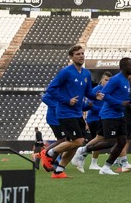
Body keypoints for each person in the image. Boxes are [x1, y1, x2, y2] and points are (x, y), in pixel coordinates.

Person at [38, 45, 91, 178]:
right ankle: (49, 153)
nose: (81, 56)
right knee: (78, 141)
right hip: (65, 113)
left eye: (82, 53)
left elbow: (88, 92)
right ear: (72, 57)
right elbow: (51, 89)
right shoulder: (66, 72)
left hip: (78, 113)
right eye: (78, 54)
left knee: (75, 144)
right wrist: (67, 101)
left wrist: (96, 97)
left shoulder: (86, 73)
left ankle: (59, 171)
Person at [93, 57, 131, 176]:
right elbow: (103, 95)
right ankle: (83, 151)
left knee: (122, 140)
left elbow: (128, 96)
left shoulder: (125, 80)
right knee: (108, 141)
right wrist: (120, 103)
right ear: (124, 67)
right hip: (109, 115)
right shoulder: (116, 80)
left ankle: (109, 166)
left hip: (119, 114)